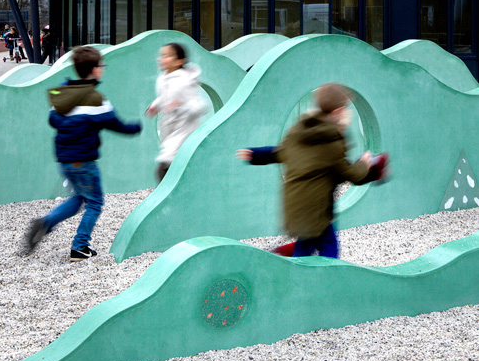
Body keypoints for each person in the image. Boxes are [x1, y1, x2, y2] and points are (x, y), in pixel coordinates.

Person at [235, 83, 387, 259]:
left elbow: (281, 152)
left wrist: (256, 154)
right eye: (346, 108)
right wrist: (365, 163)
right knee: (329, 246)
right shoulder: (331, 140)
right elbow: (351, 174)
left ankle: (291, 263)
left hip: (296, 207)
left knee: (307, 243)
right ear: (338, 112)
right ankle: (323, 273)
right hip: (316, 211)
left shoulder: (299, 130)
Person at [26, 46, 142, 262]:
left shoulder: (63, 93)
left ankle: (46, 223)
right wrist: (136, 127)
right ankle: (79, 246)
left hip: (64, 160)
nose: (103, 69)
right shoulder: (95, 98)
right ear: (94, 69)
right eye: (101, 65)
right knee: (95, 202)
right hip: (84, 161)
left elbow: (53, 120)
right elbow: (115, 124)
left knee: (80, 197)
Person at [146, 43, 208, 182]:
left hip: (184, 128)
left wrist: (180, 108)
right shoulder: (163, 78)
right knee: (171, 163)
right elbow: (164, 97)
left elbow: (199, 105)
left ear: (180, 61)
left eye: (167, 56)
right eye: (162, 55)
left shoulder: (184, 80)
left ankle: (167, 193)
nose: (162, 59)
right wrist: (155, 106)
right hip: (170, 126)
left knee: (166, 164)